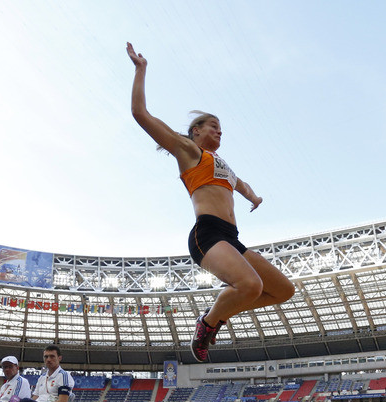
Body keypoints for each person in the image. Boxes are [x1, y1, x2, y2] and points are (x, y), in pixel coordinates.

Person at [126, 42, 295, 362]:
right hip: (207, 235)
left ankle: (219, 312)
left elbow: (239, 182)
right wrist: (140, 70)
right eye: (212, 126)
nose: (219, 131)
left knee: (283, 291)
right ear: (195, 131)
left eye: (221, 127)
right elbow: (140, 114)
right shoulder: (189, 152)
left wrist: (254, 196)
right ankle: (208, 323)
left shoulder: (223, 165)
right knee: (249, 284)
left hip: (231, 238)